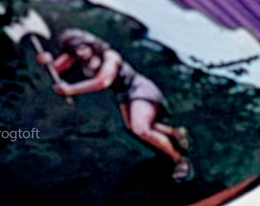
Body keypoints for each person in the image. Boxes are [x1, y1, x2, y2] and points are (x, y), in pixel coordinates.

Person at [38, 27, 193, 180]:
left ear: (90, 43)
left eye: (82, 47)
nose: (80, 52)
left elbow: (103, 81)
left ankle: (179, 159)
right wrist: (47, 61)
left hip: (138, 88)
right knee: (134, 127)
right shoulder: (75, 56)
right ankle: (175, 132)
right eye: (75, 50)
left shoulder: (110, 56)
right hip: (123, 95)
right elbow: (55, 69)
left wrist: (71, 90)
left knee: (141, 129)